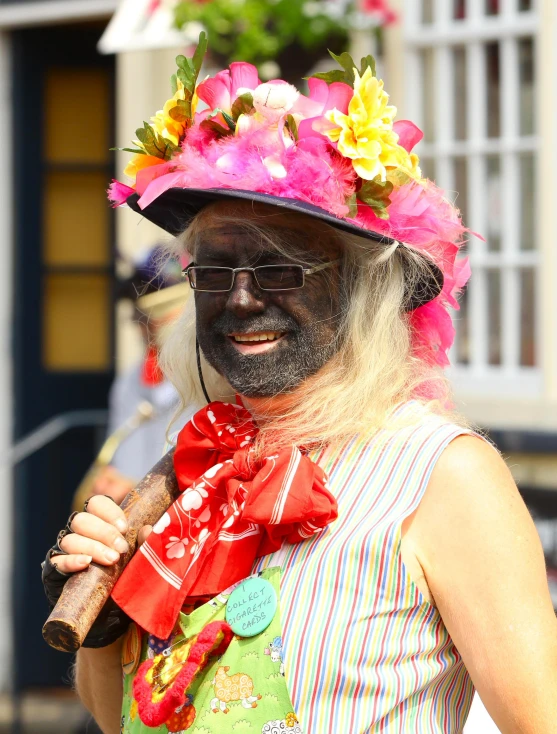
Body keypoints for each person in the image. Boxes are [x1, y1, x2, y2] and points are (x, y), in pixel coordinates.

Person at [42, 39, 557, 734]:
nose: (243, 300)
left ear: (358, 289)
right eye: (216, 271)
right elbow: (122, 721)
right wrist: (104, 629)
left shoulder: (442, 476)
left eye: (280, 267)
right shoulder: (195, 472)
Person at [83, 247, 192, 506]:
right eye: (137, 311)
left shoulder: (214, 379)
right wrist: (111, 482)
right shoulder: (129, 381)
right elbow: (124, 462)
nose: (137, 321)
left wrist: (136, 490)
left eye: (150, 308)